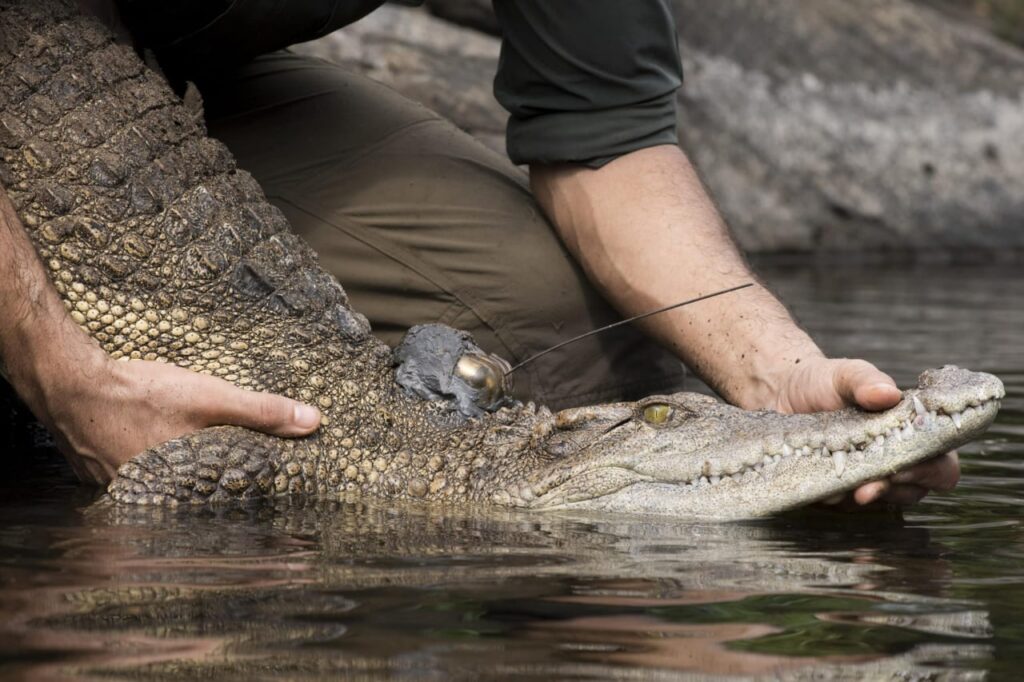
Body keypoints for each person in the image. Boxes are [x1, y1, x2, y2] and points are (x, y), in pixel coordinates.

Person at [0, 0, 957, 504]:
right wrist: (62, 372)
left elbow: (607, 134)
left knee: (569, 343)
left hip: (185, 82)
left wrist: (775, 373)